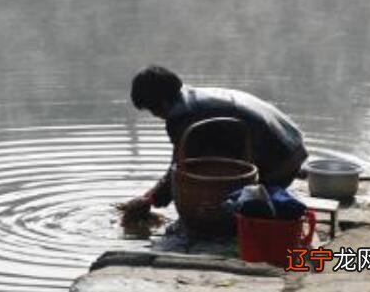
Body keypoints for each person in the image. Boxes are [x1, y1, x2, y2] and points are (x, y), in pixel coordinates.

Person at [118, 65, 308, 221]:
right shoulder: (189, 96)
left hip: (283, 162)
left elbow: (180, 170)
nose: (156, 116)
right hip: (293, 146)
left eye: (152, 110)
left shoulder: (184, 117)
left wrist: (149, 199)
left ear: (162, 103)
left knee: (214, 208)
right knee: (211, 162)